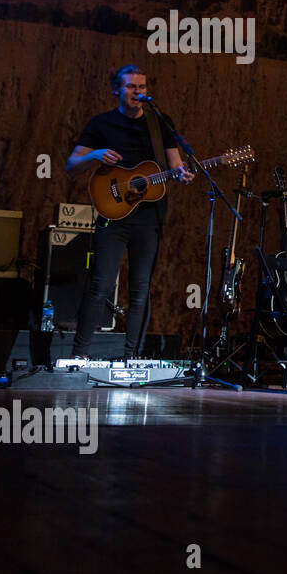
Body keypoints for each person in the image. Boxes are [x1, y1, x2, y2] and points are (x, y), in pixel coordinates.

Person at [66, 65, 192, 359]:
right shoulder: (101, 124)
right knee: (101, 285)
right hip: (113, 215)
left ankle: (130, 357)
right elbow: (72, 165)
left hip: (150, 219)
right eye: (132, 87)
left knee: (140, 290)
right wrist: (95, 155)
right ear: (117, 90)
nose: (139, 92)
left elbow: (175, 165)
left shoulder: (160, 123)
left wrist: (182, 174)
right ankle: (79, 356)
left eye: (143, 87)